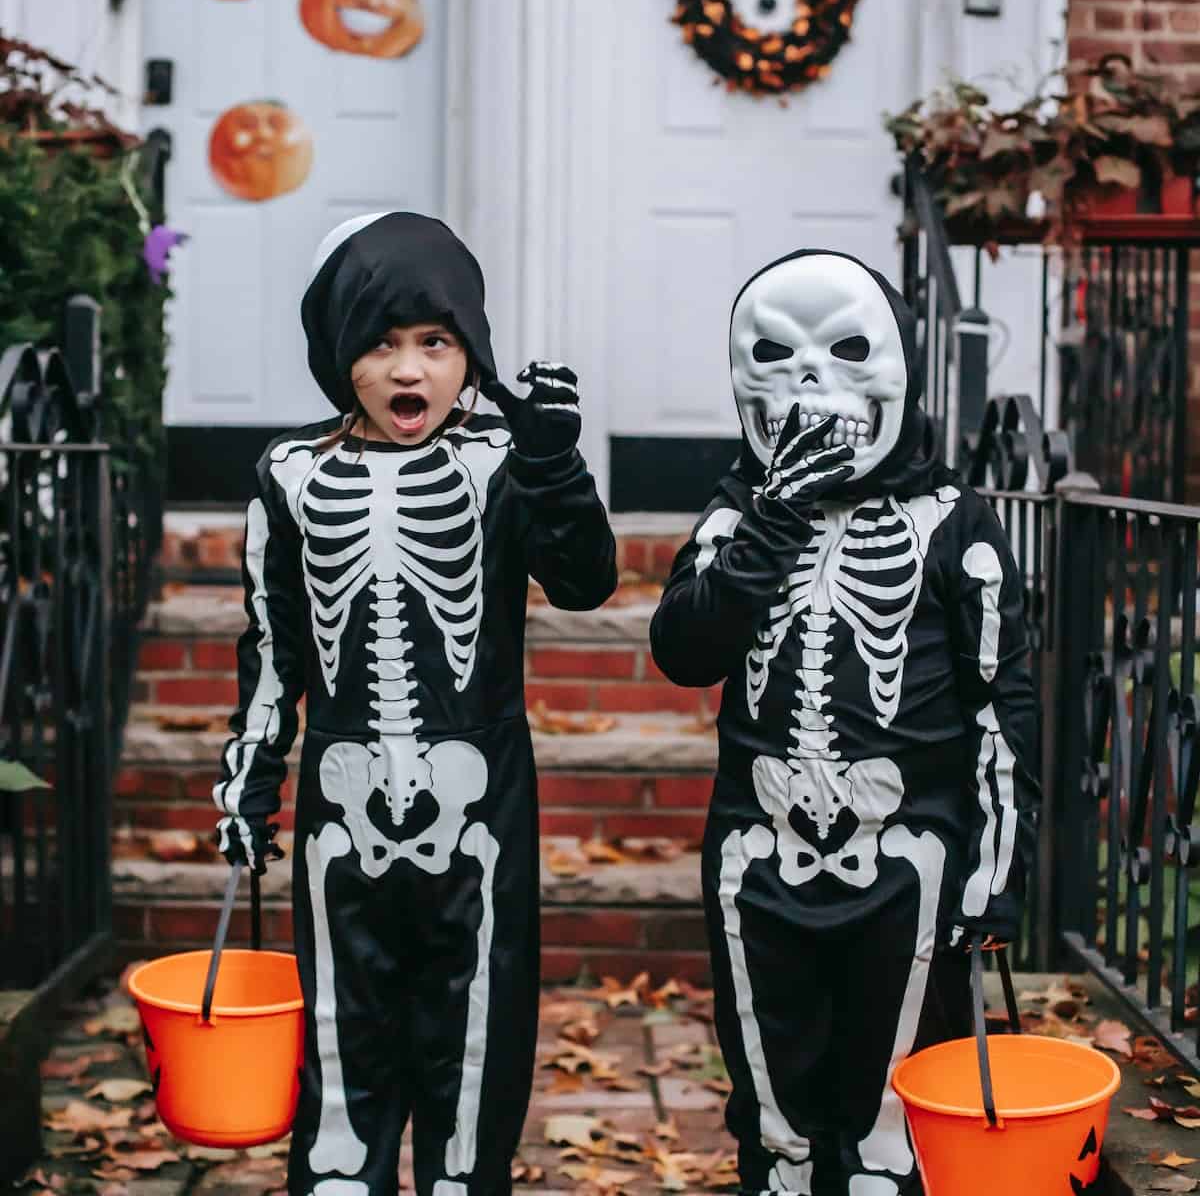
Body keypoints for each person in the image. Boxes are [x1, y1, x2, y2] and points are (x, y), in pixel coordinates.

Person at [210, 211, 617, 1196]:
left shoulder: (504, 464)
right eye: (380, 344)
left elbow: (585, 581)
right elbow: (274, 650)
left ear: (469, 351)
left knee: (474, 1055)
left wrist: (557, 467)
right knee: (343, 1063)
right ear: (336, 355)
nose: (410, 372)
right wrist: (249, 775)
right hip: (339, 816)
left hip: (480, 815)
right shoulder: (290, 477)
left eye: (435, 344)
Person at [649, 249, 1039, 1196]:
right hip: (757, 852)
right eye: (776, 358)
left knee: (890, 1114)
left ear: (898, 367)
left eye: (845, 354)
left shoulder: (953, 520)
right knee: (773, 1112)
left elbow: (1003, 704)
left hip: (910, 856)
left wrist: (995, 874)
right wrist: (774, 515)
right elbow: (685, 649)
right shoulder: (738, 513)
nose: (810, 384)